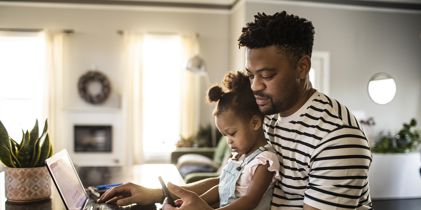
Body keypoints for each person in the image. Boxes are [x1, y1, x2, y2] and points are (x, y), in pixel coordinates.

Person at [98, 11, 372, 210]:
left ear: (302, 66)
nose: (255, 86)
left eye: (267, 75)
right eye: (251, 74)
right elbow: (236, 179)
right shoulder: (265, 114)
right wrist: (158, 193)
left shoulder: (337, 138)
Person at [200, 70, 280, 210]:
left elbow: (250, 201)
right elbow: (222, 187)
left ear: (255, 123)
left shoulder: (265, 161)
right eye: (225, 136)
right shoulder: (240, 156)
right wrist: (195, 201)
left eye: (232, 133)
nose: (229, 141)